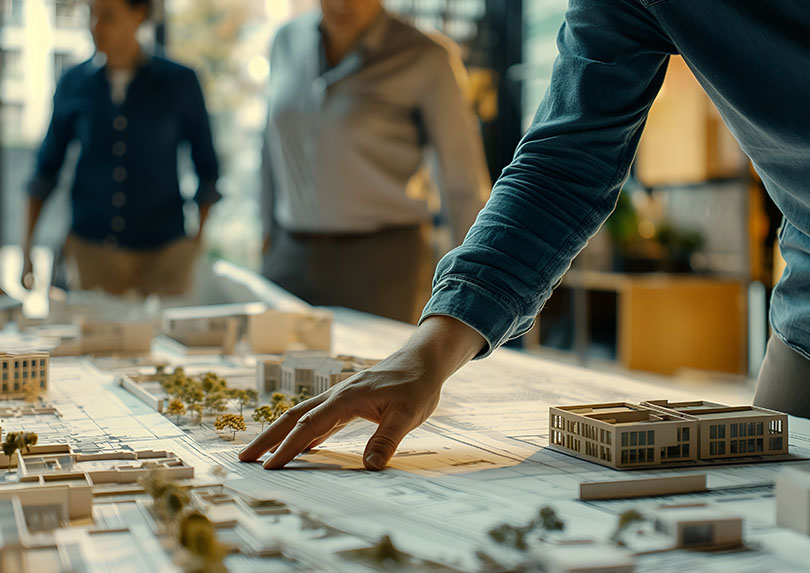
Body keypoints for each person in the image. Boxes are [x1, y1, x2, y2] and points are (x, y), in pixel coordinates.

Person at [240, 0, 810, 471]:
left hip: (385, 252)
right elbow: (562, 168)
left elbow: (462, 183)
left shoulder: (422, 56)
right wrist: (433, 349)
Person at [261, 0, 491, 324]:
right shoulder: (285, 40)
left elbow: (462, 181)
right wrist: (266, 230)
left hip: (382, 264)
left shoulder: (427, 56)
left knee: (376, 371)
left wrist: (475, 286)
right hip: (289, 257)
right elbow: (270, 142)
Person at [24, 0, 220, 296]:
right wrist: (27, 249)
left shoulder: (179, 83)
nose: (95, 26)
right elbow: (45, 170)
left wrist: (196, 242)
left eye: (108, 16)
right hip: (92, 253)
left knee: (164, 340)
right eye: (91, 14)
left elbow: (208, 169)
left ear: (139, 15)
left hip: (165, 255)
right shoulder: (73, 84)